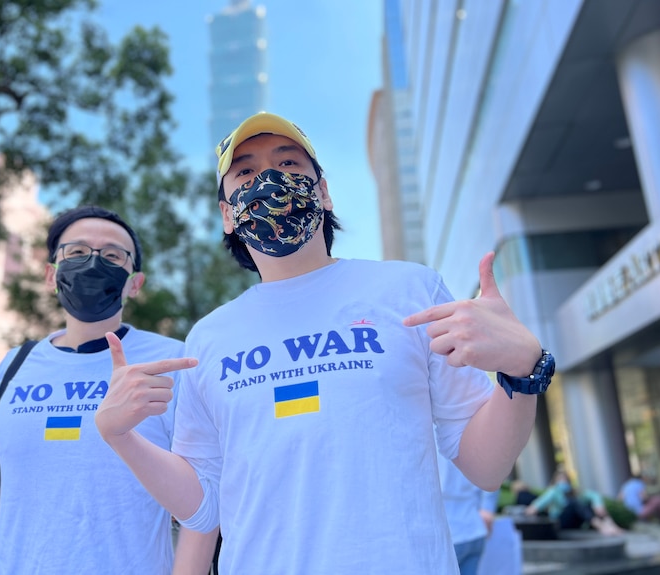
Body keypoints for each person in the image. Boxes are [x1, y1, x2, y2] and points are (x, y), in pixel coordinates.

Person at [94, 112, 555, 573]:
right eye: (247, 172)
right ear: (227, 214)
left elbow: (486, 466)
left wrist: (523, 369)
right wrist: (121, 437)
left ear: (324, 190)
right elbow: (205, 505)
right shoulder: (210, 337)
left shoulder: (409, 291)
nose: (271, 180)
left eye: (290, 164)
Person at [0, 206, 217, 575]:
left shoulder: (173, 361)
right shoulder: (15, 366)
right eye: (77, 252)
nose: (93, 263)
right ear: (51, 275)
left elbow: (204, 497)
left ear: (135, 283)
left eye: (114, 256)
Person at [438, 452, 500, 575]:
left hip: (451, 533)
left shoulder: (432, 443)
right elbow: (493, 472)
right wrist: (487, 509)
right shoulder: (470, 442)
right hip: (475, 529)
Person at [526, 470, 622, 535]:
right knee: (573, 503)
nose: (563, 482)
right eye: (560, 480)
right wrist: (532, 509)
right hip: (560, 521)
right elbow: (541, 503)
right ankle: (601, 526)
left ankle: (609, 523)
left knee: (586, 504)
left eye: (565, 480)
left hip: (574, 522)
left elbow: (593, 495)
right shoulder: (554, 491)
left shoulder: (574, 492)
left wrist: (598, 505)